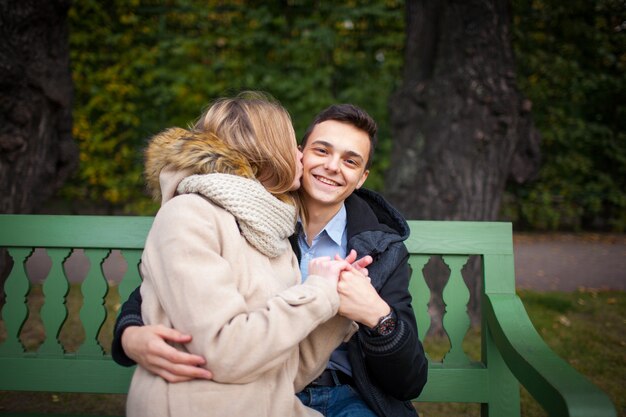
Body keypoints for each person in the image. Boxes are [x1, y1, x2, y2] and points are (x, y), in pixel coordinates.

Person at [113, 103, 428, 417]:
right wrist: (130, 333)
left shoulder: (381, 248)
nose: (333, 166)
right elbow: (167, 291)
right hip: (254, 388)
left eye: (350, 161)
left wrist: (376, 315)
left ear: (362, 177)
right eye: (321, 151)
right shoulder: (255, 216)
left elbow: (409, 380)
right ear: (300, 155)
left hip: (342, 390)